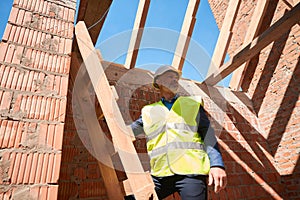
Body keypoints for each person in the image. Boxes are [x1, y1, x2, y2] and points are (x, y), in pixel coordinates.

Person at [128, 65, 227, 200]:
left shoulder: (192, 104)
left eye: (176, 78)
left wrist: (217, 165)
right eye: (170, 77)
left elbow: (208, 136)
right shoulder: (148, 111)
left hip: (190, 172)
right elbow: (127, 132)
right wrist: (107, 117)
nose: (175, 80)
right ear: (158, 82)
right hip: (160, 174)